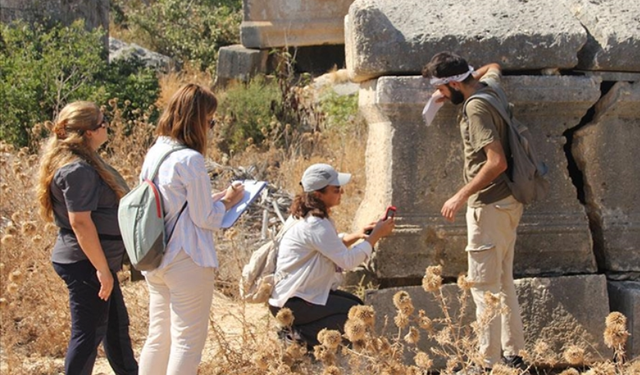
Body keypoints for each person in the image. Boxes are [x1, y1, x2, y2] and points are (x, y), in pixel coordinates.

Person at [422, 52, 527, 372]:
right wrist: (454, 85)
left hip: (489, 206)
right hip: (510, 201)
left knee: (483, 288)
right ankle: (514, 356)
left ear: (454, 84)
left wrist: (459, 196)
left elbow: (496, 162)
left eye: (443, 89)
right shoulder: (490, 88)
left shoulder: (476, 107)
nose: (440, 96)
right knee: (503, 281)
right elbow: (494, 67)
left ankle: (485, 364)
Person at [137, 84, 244, 375]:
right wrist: (229, 201)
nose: (211, 127)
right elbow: (205, 219)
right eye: (210, 120)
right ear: (197, 119)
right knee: (187, 342)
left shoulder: (155, 152)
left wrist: (215, 197)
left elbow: (173, 203)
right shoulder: (191, 159)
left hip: (156, 256)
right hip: (187, 258)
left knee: (159, 337)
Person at [36, 101, 138, 375]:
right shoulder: (77, 169)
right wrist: (102, 270)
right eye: (103, 122)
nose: (108, 125)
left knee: (116, 328)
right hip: (87, 262)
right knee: (88, 335)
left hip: (94, 261)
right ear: (89, 132)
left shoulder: (84, 161)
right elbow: (80, 222)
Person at [268, 163, 395, 349]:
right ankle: (296, 338)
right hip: (292, 304)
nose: (341, 192)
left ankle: (300, 333)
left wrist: (359, 235)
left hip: (297, 297)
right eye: (336, 190)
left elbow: (329, 245)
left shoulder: (309, 216)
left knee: (356, 305)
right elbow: (348, 261)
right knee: (354, 318)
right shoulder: (315, 224)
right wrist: (376, 236)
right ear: (319, 195)